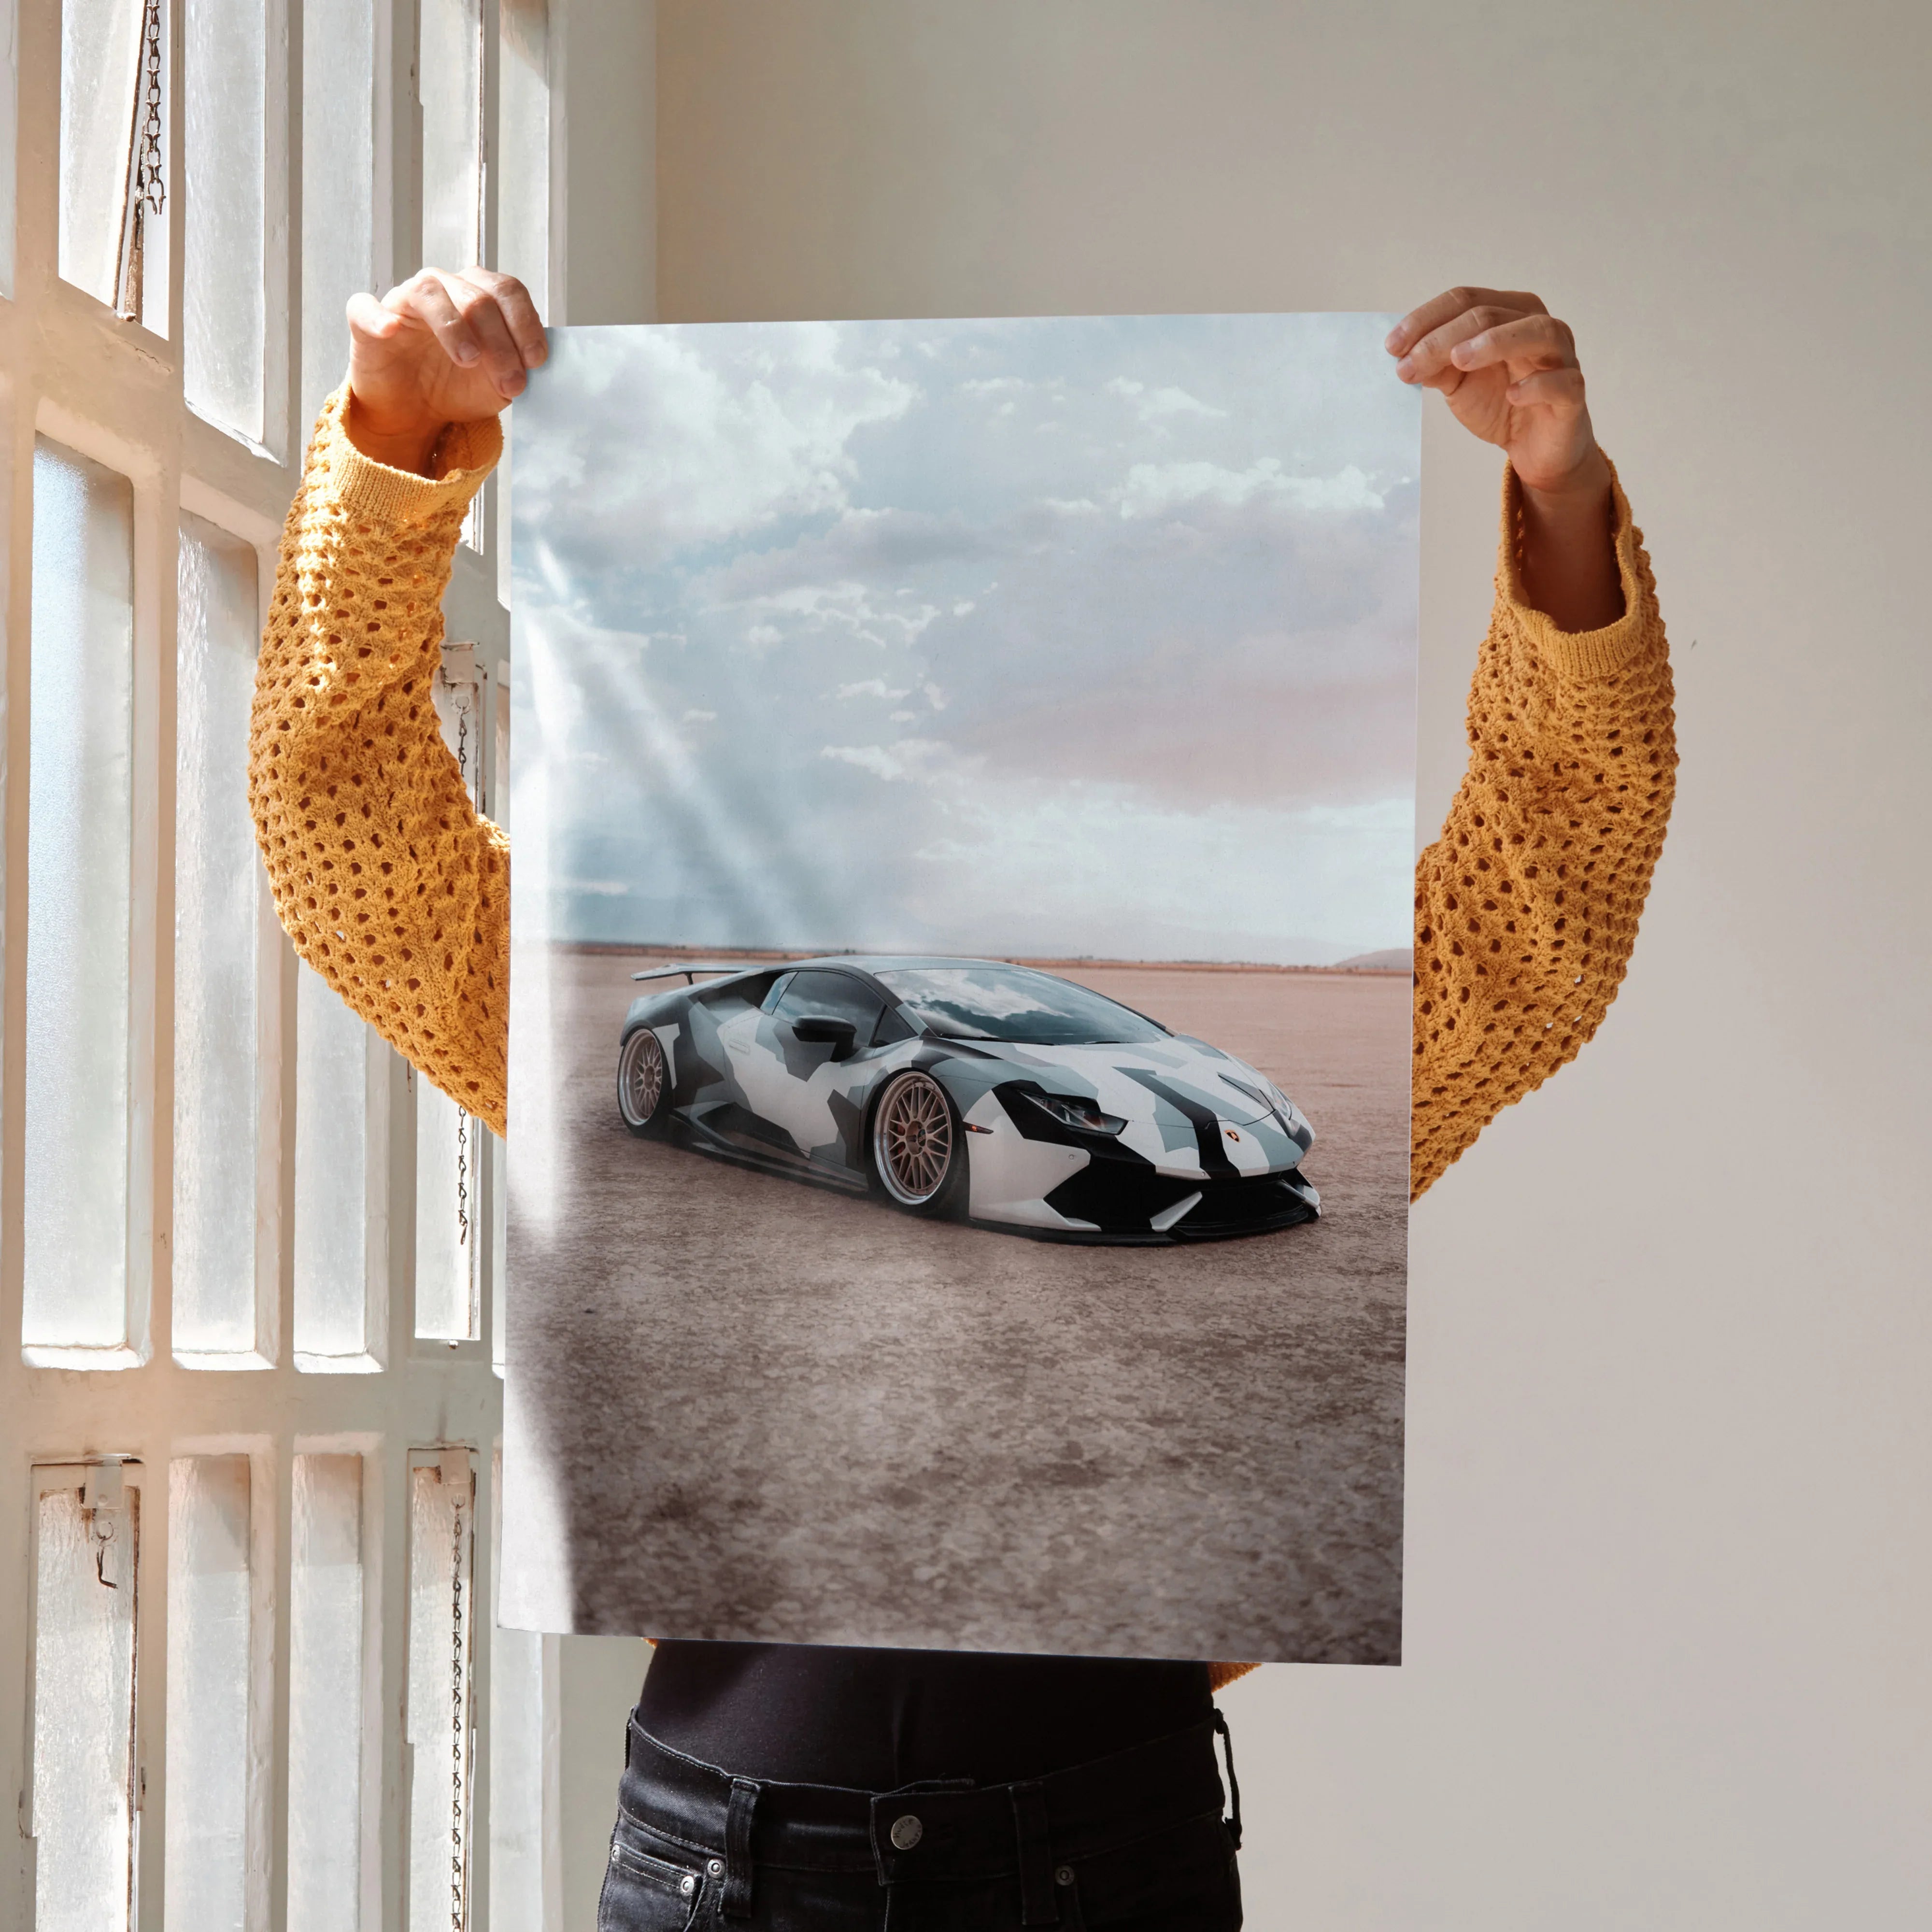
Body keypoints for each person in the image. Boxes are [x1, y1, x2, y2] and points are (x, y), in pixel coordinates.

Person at [250, 270, 1675, 1929]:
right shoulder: (624, 1014)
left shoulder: (1196, 1054)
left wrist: (1560, 497)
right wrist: (394, 446)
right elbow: (346, 837)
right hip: (730, 1864)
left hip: (1104, 1850)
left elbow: (1546, 904)